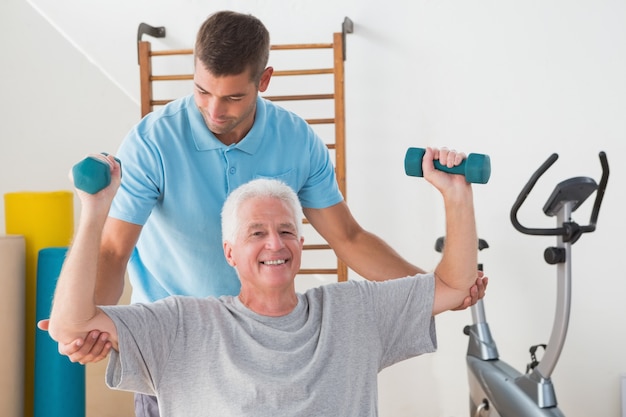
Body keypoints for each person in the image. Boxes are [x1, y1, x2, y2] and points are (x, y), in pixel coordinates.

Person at [39, 10, 486, 416]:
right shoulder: (154, 141)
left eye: (232, 98)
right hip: (181, 346)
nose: (214, 110)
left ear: (264, 80)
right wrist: (89, 325)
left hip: (271, 332)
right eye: (201, 91)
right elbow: (115, 253)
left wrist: (429, 292)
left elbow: (348, 238)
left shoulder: (296, 140)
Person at [47, 149, 481, 417]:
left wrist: (456, 195)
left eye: (286, 231)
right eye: (256, 232)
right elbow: (71, 327)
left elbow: (453, 286)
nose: (275, 243)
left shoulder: (354, 311)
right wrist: (94, 209)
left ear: (302, 243)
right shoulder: (181, 324)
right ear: (230, 251)